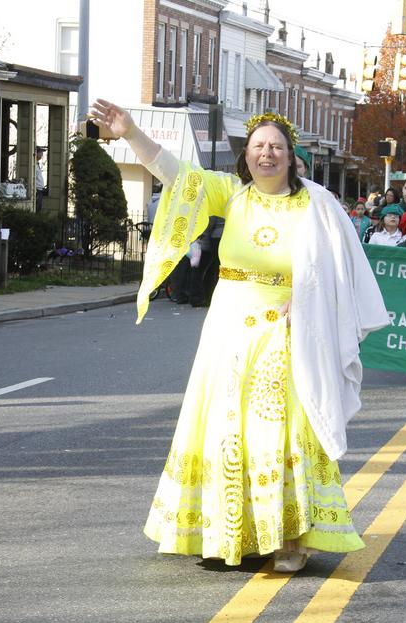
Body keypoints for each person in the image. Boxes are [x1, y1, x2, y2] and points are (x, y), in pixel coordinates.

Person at [90, 99, 388, 573]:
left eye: (276, 147)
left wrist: (309, 300)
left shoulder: (318, 206)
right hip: (228, 330)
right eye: (257, 147)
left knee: (280, 431)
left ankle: (290, 536)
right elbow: (174, 172)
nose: (266, 154)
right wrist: (130, 132)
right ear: (245, 156)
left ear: (292, 157)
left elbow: (342, 271)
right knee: (225, 429)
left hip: (289, 331)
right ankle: (226, 531)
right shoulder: (228, 193)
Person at [34, 146, 46, 212]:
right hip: (37, 191)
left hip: (40, 190)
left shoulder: (37, 164)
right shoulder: (33, 164)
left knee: (39, 208)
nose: (42, 154)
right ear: (36, 153)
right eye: (40, 152)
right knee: (37, 209)